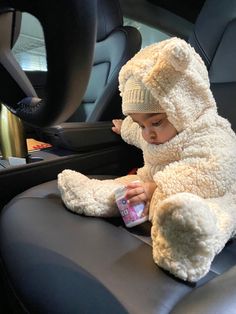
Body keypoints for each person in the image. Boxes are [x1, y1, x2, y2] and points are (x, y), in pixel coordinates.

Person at [58, 37, 236, 282]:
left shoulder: (211, 132)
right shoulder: (150, 132)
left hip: (214, 194)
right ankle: (91, 194)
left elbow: (214, 171)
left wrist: (159, 188)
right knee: (127, 188)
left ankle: (187, 244)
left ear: (185, 107)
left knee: (219, 214)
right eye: (141, 123)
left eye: (155, 122)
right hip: (151, 184)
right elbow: (139, 133)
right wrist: (126, 129)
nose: (147, 133)